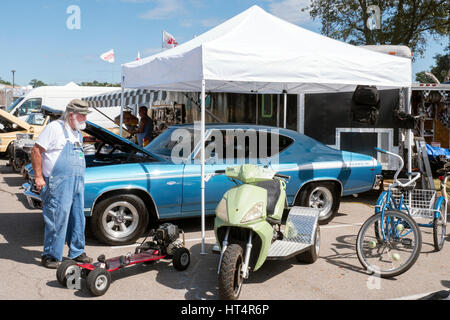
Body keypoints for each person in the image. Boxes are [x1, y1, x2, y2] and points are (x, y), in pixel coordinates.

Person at [31, 99, 93, 269]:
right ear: (71, 114)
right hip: (58, 183)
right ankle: (50, 255)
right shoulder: (55, 128)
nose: (85, 118)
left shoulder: (77, 134)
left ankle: (77, 252)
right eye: (82, 115)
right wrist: (39, 177)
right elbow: (36, 150)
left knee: (78, 218)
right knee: (56, 218)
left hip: (76, 182)